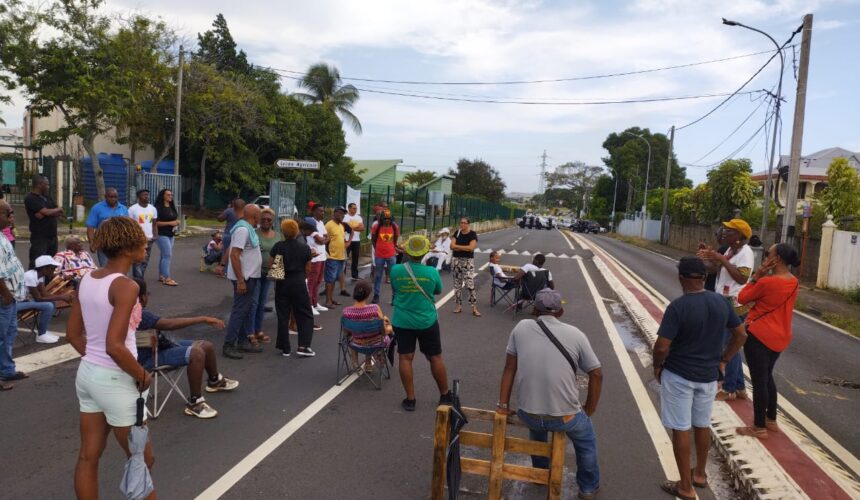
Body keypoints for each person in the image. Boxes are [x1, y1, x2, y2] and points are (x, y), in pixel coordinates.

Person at [65, 216, 155, 499]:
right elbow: (115, 346)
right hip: (117, 378)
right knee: (143, 460)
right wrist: (142, 375)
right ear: (129, 248)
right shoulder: (126, 286)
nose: (146, 242)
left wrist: (95, 362)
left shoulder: (87, 279)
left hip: (88, 374)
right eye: (142, 239)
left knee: (88, 456)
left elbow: (73, 335)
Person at [652, 256, 747, 500]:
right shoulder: (721, 303)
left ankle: (684, 486)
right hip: (709, 377)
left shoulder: (678, 307)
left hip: (679, 375)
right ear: (704, 278)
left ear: (681, 278)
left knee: (680, 428)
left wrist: (658, 366)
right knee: (702, 424)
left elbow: (662, 346)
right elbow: (740, 335)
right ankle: (700, 474)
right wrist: (724, 360)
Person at [496, 288, 603, 499]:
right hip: (566, 417)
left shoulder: (521, 327)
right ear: (560, 312)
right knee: (586, 442)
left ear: (535, 309)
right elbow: (597, 373)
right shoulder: (576, 334)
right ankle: (588, 488)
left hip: (528, 414)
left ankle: (541, 473)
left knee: (538, 428)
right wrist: (589, 409)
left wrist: (502, 405)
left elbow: (509, 368)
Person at [132, 278, 239, 419]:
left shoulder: (126, 310)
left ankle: (214, 381)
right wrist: (203, 319)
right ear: (142, 297)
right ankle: (195, 402)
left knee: (206, 346)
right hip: (149, 359)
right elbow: (169, 324)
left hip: (158, 348)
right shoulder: (139, 314)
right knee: (196, 353)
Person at [736, 243, 800, 439]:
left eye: (768, 254)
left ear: (777, 259)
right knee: (767, 376)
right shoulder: (793, 281)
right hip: (781, 336)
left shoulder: (767, 282)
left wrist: (757, 276)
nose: (764, 258)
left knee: (759, 381)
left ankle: (758, 426)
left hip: (760, 335)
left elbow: (742, 297)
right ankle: (771, 420)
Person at [390, 235, 451, 412]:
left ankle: (410, 399)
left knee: (405, 357)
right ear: (425, 252)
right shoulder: (432, 272)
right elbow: (438, 290)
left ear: (407, 251)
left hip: (402, 320)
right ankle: (445, 395)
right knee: (435, 357)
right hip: (427, 321)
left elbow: (395, 288)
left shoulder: (396, 270)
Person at [698, 218, 753, 401]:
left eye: (729, 230)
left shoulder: (745, 253)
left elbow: (742, 278)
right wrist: (707, 257)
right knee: (731, 346)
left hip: (735, 306)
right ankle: (739, 388)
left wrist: (721, 258)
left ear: (738, 235)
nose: (725, 232)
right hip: (724, 302)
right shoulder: (730, 250)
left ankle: (729, 388)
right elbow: (716, 272)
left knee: (730, 346)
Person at [269, 218, 316, 357]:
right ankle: (304, 345)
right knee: (305, 313)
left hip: (282, 282)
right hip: (299, 281)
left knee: (283, 314)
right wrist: (302, 277)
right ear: (296, 231)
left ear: (283, 232)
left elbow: (273, 265)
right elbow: (308, 268)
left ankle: (285, 347)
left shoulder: (278, 246)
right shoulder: (304, 248)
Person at [222, 204, 263, 359]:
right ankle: (229, 344)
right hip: (244, 278)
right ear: (254, 215)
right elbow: (234, 255)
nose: (260, 216)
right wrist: (240, 280)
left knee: (245, 310)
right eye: (259, 214)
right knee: (239, 311)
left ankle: (242, 341)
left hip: (249, 276)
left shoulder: (247, 228)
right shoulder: (243, 230)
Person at [0, 200, 28, 390]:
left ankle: (7, 370)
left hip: (11, 296)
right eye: (8, 213)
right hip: (4, 297)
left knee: (9, 334)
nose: (12, 217)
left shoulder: (3, 235)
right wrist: (6, 294)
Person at [18, 255, 75, 344]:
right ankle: (41, 335)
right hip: (16, 304)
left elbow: (45, 294)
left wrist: (63, 296)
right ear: (44, 268)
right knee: (48, 305)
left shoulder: (40, 276)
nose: (54, 270)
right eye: (52, 268)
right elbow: (39, 298)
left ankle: (43, 331)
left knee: (51, 302)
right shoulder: (30, 276)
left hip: (25, 301)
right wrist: (62, 297)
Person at [342, 280, 393, 370]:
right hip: (376, 344)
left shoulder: (346, 311)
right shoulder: (374, 308)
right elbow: (383, 331)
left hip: (356, 344)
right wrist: (389, 327)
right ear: (368, 294)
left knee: (358, 334)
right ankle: (370, 362)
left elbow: (346, 332)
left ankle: (355, 363)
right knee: (387, 329)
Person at [251, 208, 279, 345]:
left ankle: (259, 330)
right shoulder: (254, 233)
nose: (266, 221)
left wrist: (276, 275)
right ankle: (250, 332)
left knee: (262, 303)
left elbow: (280, 256)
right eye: (263, 219)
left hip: (269, 274)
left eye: (269, 219)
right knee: (254, 303)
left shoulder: (278, 235)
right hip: (255, 273)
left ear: (273, 221)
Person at [24, 175, 63, 269]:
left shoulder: (47, 197)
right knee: (38, 264)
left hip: (53, 237)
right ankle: (34, 283)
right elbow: (48, 212)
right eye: (47, 184)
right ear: (40, 185)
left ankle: (48, 283)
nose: (48, 187)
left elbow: (60, 211)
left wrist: (48, 212)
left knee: (51, 265)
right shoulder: (30, 198)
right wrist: (49, 211)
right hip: (40, 238)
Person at [85, 187, 129, 266]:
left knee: (119, 267)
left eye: (115, 197)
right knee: (106, 267)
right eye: (110, 197)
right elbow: (90, 227)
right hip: (103, 243)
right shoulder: (97, 208)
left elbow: (127, 227)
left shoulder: (123, 208)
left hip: (120, 244)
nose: (113, 199)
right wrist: (92, 243)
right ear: (105, 197)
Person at [450, 217, 480, 316]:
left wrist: (457, 247)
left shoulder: (472, 234)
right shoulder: (457, 233)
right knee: (457, 285)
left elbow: (471, 248)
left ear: (468, 224)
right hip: (456, 261)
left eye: (464, 223)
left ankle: (474, 308)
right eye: (461, 223)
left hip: (468, 262)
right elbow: (451, 246)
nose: (462, 224)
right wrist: (464, 248)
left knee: (470, 284)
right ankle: (458, 306)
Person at [127, 189, 158, 280]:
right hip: (138, 239)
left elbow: (154, 223)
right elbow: (129, 225)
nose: (146, 197)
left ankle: (139, 279)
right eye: (144, 195)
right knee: (137, 261)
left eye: (147, 195)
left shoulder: (153, 208)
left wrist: (155, 235)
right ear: (138, 197)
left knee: (145, 261)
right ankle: (139, 281)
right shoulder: (132, 209)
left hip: (149, 239)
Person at [371, 209, 400, 304]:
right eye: (385, 218)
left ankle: (394, 297)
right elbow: (373, 240)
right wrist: (378, 249)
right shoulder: (376, 227)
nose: (387, 220)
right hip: (379, 255)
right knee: (378, 276)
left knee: (393, 276)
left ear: (391, 219)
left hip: (391, 255)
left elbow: (395, 240)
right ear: (381, 218)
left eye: (388, 218)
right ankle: (376, 295)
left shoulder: (395, 227)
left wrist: (391, 247)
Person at [323, 206, 348, 309]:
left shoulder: (341, 226)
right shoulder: (329, 225)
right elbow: (325, 240)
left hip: (341, 257)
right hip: (332, 257)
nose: (343, 215)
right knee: (330, 279)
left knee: (334, 280)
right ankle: (328, 301)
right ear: (335, 213)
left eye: (344, 214)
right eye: (341, 213)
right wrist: (328, 255)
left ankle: (331, 298)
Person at [154, 188, 179, 286]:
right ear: (163, 196)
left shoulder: (172, 206)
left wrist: (176, 222)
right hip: (161, 234)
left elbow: (174, 218)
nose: (170, 196)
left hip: (171, 234)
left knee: (164, 255)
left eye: (171, 195)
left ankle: (161, 275)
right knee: (167, 255)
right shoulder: (158, 208)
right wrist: (170, 223)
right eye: (168, 195)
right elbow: (156, 223)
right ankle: (167, 278)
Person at [216, 199, 246, 276]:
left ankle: (225, 271)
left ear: (233, 205)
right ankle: (236, 271)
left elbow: (220, 219)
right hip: (241, 234)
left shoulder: (229, 210)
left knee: (226, 252)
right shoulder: (246, 212)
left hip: (228, 234)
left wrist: (225, 211)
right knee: (237, 253)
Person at [343, 202, 364, 280]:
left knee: (355, 258)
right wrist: (356, 226)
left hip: (356, 240)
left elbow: (362, 228)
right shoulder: (345, 217)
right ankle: (343, 275)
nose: (355, 210)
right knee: (345, 258)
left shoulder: (359, 218)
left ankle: (355, 275)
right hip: (347, 240)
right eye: (353, 208)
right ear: (349, 208)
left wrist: (351, 227)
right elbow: (345, 228)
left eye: (356, 208)